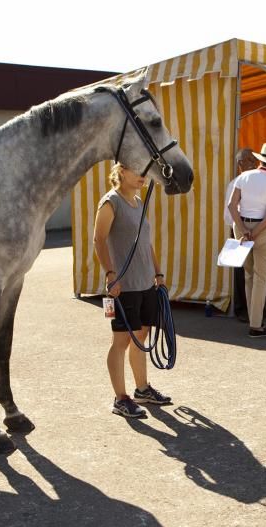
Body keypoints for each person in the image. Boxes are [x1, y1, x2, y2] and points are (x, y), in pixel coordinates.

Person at [93, 163, 172, 419]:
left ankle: (142, 389)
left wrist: (158, 273)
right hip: (122, 288)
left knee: (142, 336)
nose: (143, 177)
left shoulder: (139, 203)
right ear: (122, 172)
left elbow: (145, 243)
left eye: (145, 173)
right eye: (138, 171)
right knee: (121, 342)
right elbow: (98, 239)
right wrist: (110, 275)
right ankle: (120, 398)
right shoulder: (110, 202)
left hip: (146, 283)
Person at [227, 143, 266, 338]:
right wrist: (256, 231)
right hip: (262, 230)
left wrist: (243, 229)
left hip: (241, 226)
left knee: (249, 276)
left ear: (260, 159)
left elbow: (231, 205)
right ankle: (256, 324)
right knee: (261, 278)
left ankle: (255, 320)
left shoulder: (243, 177)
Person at [223, 148, 259, 321]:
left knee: (257, 272)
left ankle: (258, 308)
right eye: (249, 161)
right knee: (242, 274)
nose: (254, 164)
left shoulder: (259, 183)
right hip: (241, 232)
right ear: (240, 164)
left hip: (257, 232)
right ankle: (242, 309)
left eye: (254, 160)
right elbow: (228, 215)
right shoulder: (235, 184)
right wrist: (243, 229)